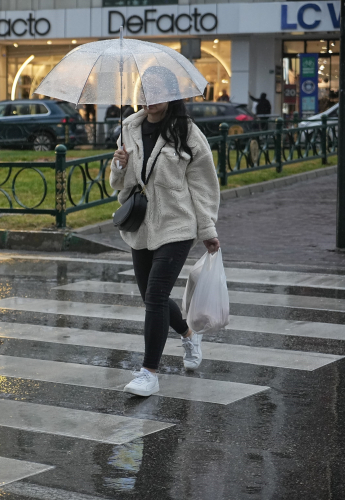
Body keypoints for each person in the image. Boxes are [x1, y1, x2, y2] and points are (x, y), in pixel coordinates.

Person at [109, 66, 220, 397]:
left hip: (176, 223)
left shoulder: (187, 132)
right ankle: (188, 334)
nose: (150, 99)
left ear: (172, 94)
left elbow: (203, 185)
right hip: (142, 224)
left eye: (157, 92)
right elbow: (118, 184)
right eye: (145, 91)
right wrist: (118, 165)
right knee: (150, 297)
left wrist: (207, 229)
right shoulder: (129, 128)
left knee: (156, 295)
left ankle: (149, 372)